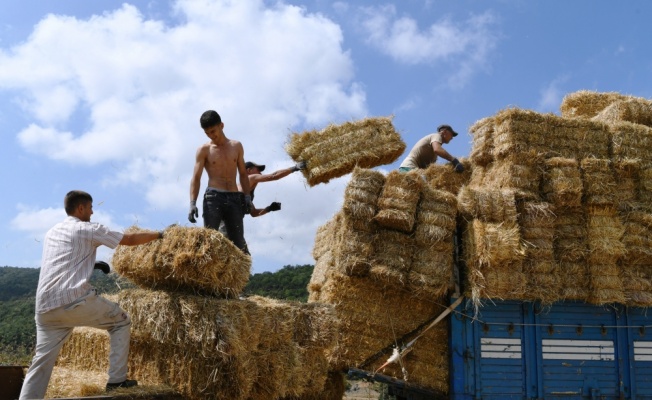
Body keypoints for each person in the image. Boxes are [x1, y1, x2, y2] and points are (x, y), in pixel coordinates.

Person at [19, 190, 166, 400]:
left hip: (45, 308)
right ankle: (117, 381)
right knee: (120, 322)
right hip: (73, 300)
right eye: (90, 208)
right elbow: (129, 239)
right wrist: (159, 235)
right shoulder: (87, 229)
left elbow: (65, 260)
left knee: (40, 363)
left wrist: (91, 263)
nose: (92, 212)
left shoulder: (52, 232)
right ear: (80, 208)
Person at [188, 110, 251, 254]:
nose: (212, 135)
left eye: (213, 131)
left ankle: (237, 276)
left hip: (234, 198)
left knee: (238, 244)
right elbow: (196, 178)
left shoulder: (236, 146)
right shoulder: (204, 150)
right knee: (209, 241)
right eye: (207, 133)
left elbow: (243, 173)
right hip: (213, 197)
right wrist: (192, 203)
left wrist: (247, 197)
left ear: (222, 125)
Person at [240, 160, 306, 217]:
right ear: (249, 170)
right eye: (258, 170)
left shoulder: (245, 192)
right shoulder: (250, 177)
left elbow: (254, 213)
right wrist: (295, 168)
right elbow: (273, 176)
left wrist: (269, 208)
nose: (260, 173)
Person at [398, 124, 464, 173]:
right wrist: (454, 160)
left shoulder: (433, 155)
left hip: (413, 170)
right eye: (451, 134)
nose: (452, 138)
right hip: (409, 167)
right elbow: (437, 150)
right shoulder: (436, 136)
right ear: (444, 131)